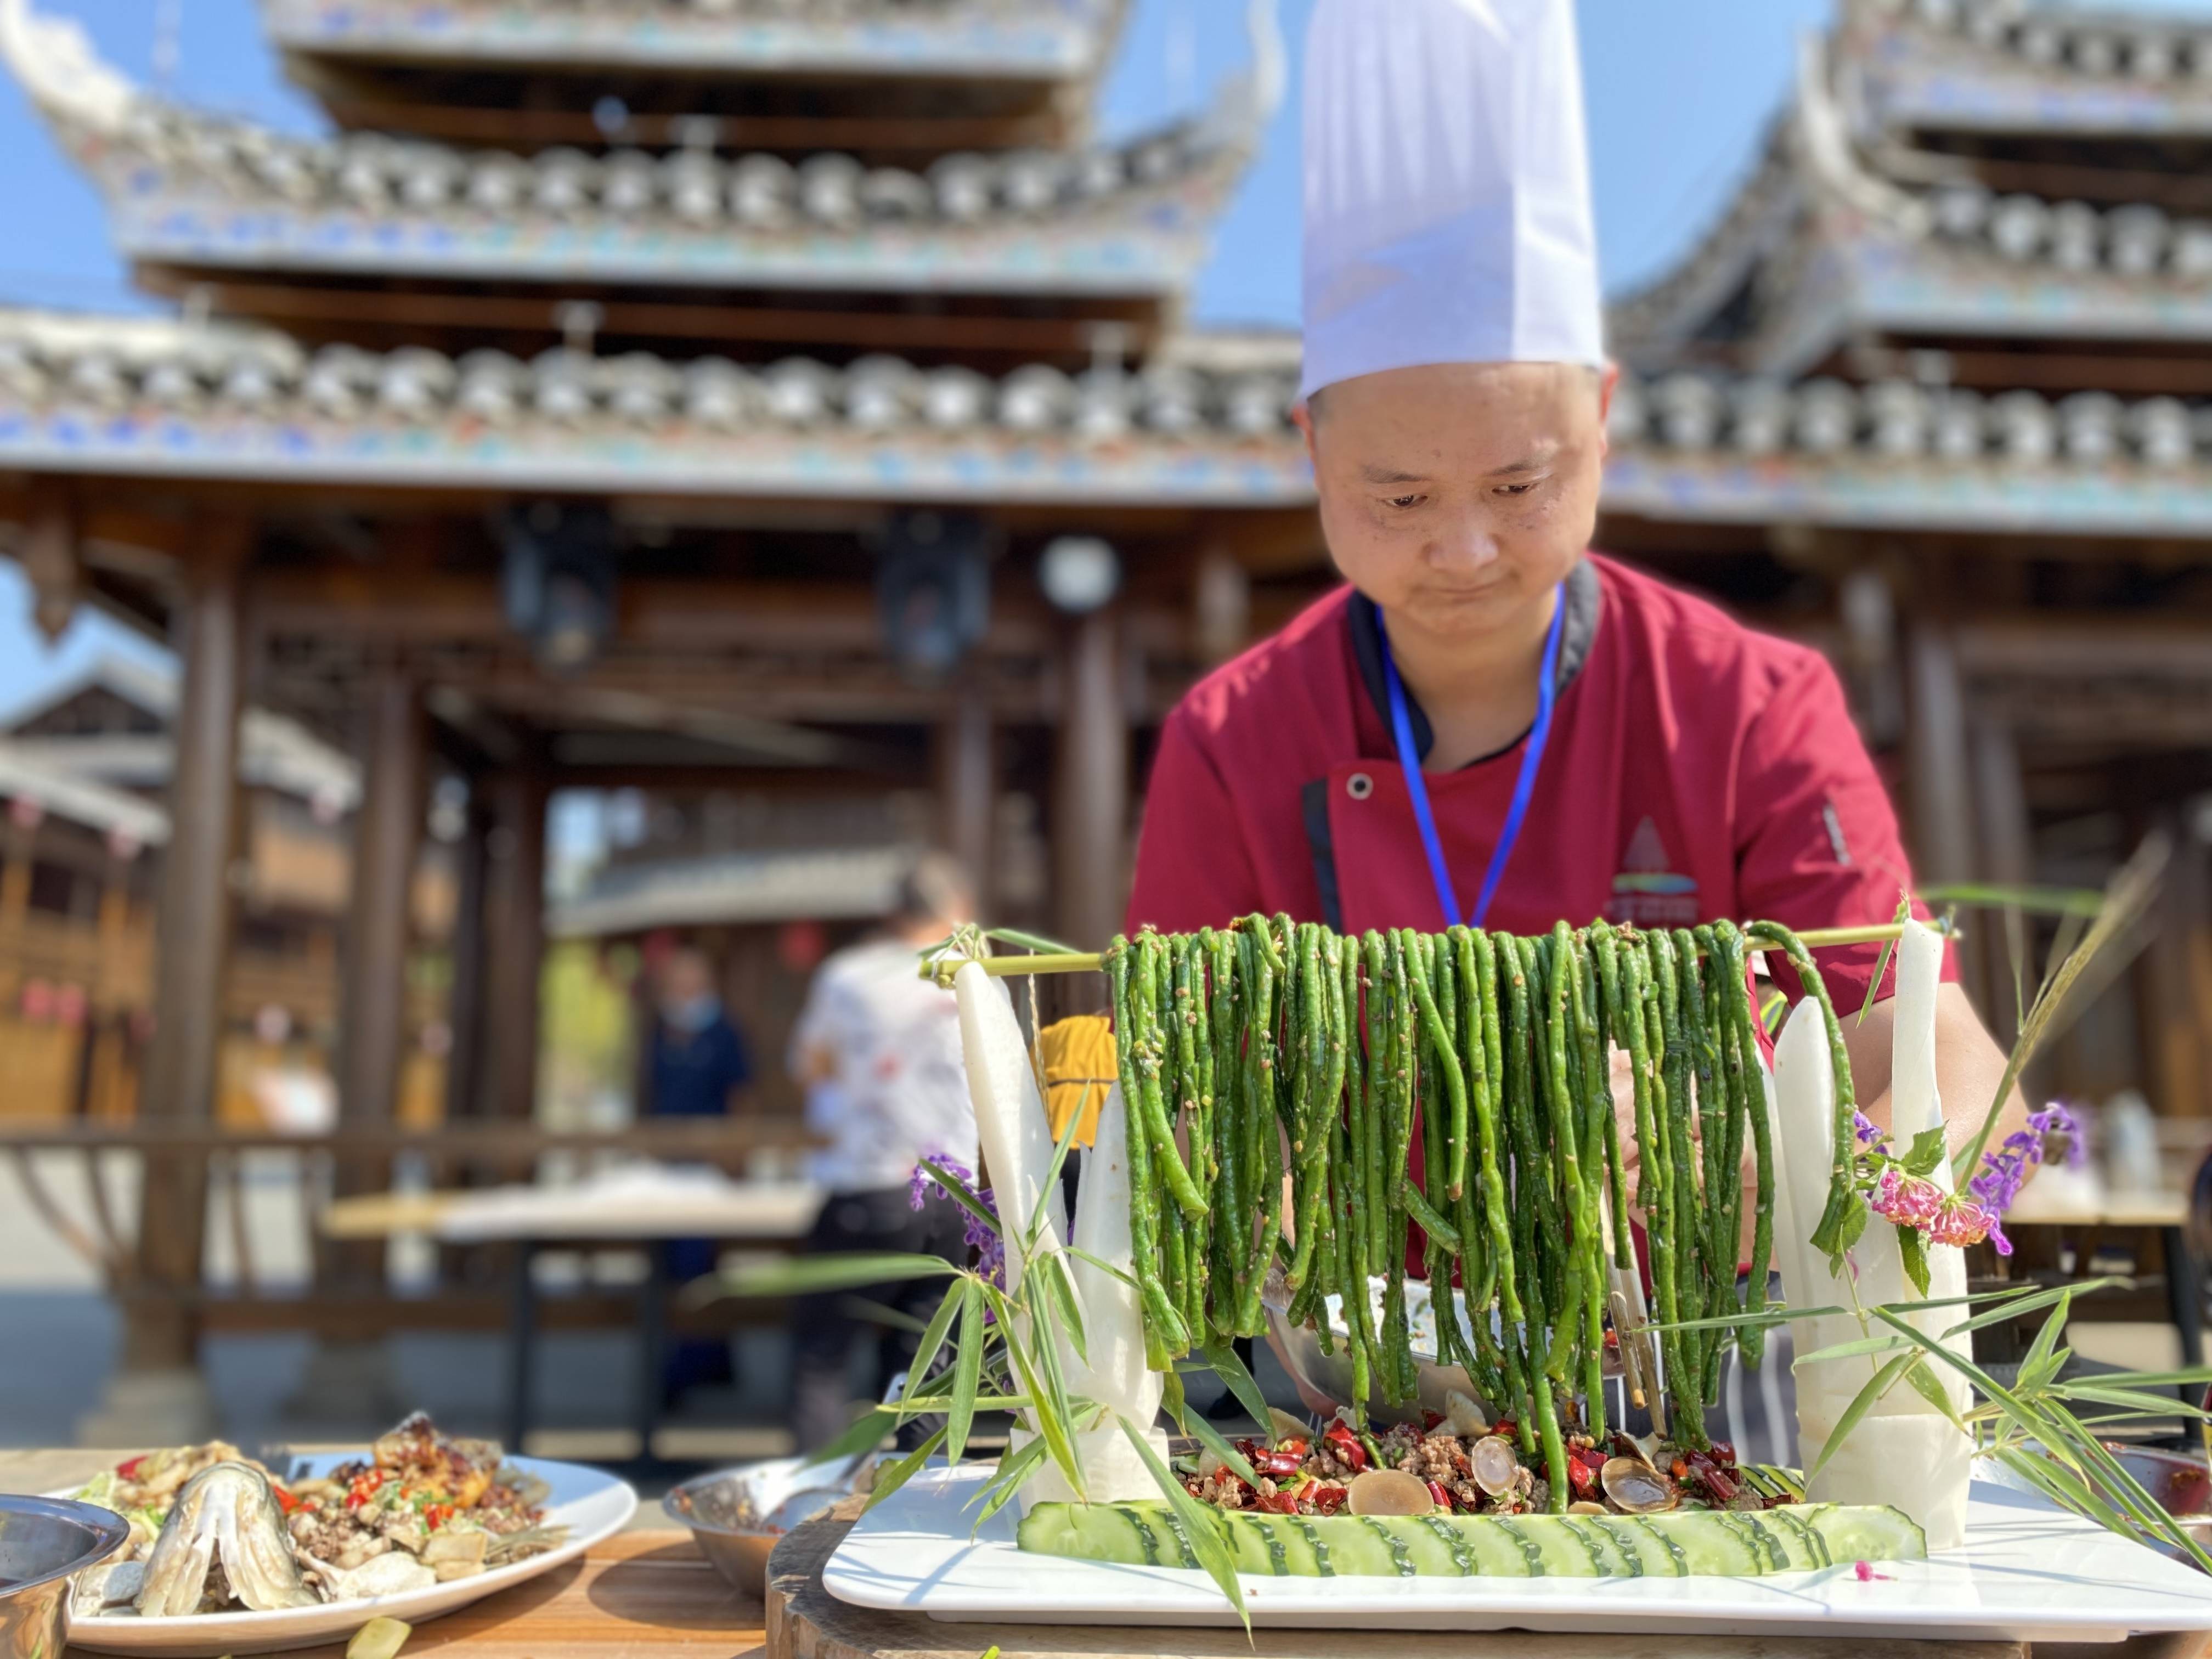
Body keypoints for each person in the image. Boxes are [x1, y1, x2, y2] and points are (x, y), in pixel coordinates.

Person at [1125, 0, 2026, 1459]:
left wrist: (1758, 1156)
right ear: (1311, 451)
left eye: (1523, 483)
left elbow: (1956, 1079)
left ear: (1605, 423)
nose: (1466, 549)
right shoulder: (1235, 739)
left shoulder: (1743, 703)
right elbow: (1159, 1104)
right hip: (1351, 1405)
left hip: (1714, 1380)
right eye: (1401, 498)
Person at [785, 853, 978, 1451]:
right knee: (925, 1363)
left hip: (868, 1184)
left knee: (822, 1356)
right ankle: (917, 1502)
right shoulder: (974, 975)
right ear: (959, 911)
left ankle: (810, 1506)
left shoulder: (851, 978)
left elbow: (810, 1066)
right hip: (952, 1195)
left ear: (892, 914)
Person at [643, 944, 754, 1402]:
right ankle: (705, 1360)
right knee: (672, 1266)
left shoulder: (725, 1034)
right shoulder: (660, 1033)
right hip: (666, 1167)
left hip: (710, 1168)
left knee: (700, 1264)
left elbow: (741, 1096)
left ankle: (689, 1370)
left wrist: (736, 1156)